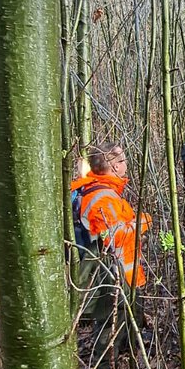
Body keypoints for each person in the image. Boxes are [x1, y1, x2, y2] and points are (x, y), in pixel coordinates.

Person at [71, 144, 152, 358]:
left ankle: (128, 351)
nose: (126, 164)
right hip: (112, 271)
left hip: (123, 268)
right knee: (109, 319)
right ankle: (105, 366)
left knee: (125, 313)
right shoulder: (103, 198)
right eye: (123, 161)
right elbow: (116, 237)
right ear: (114, 166)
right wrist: (143, 222)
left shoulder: (104, 191)